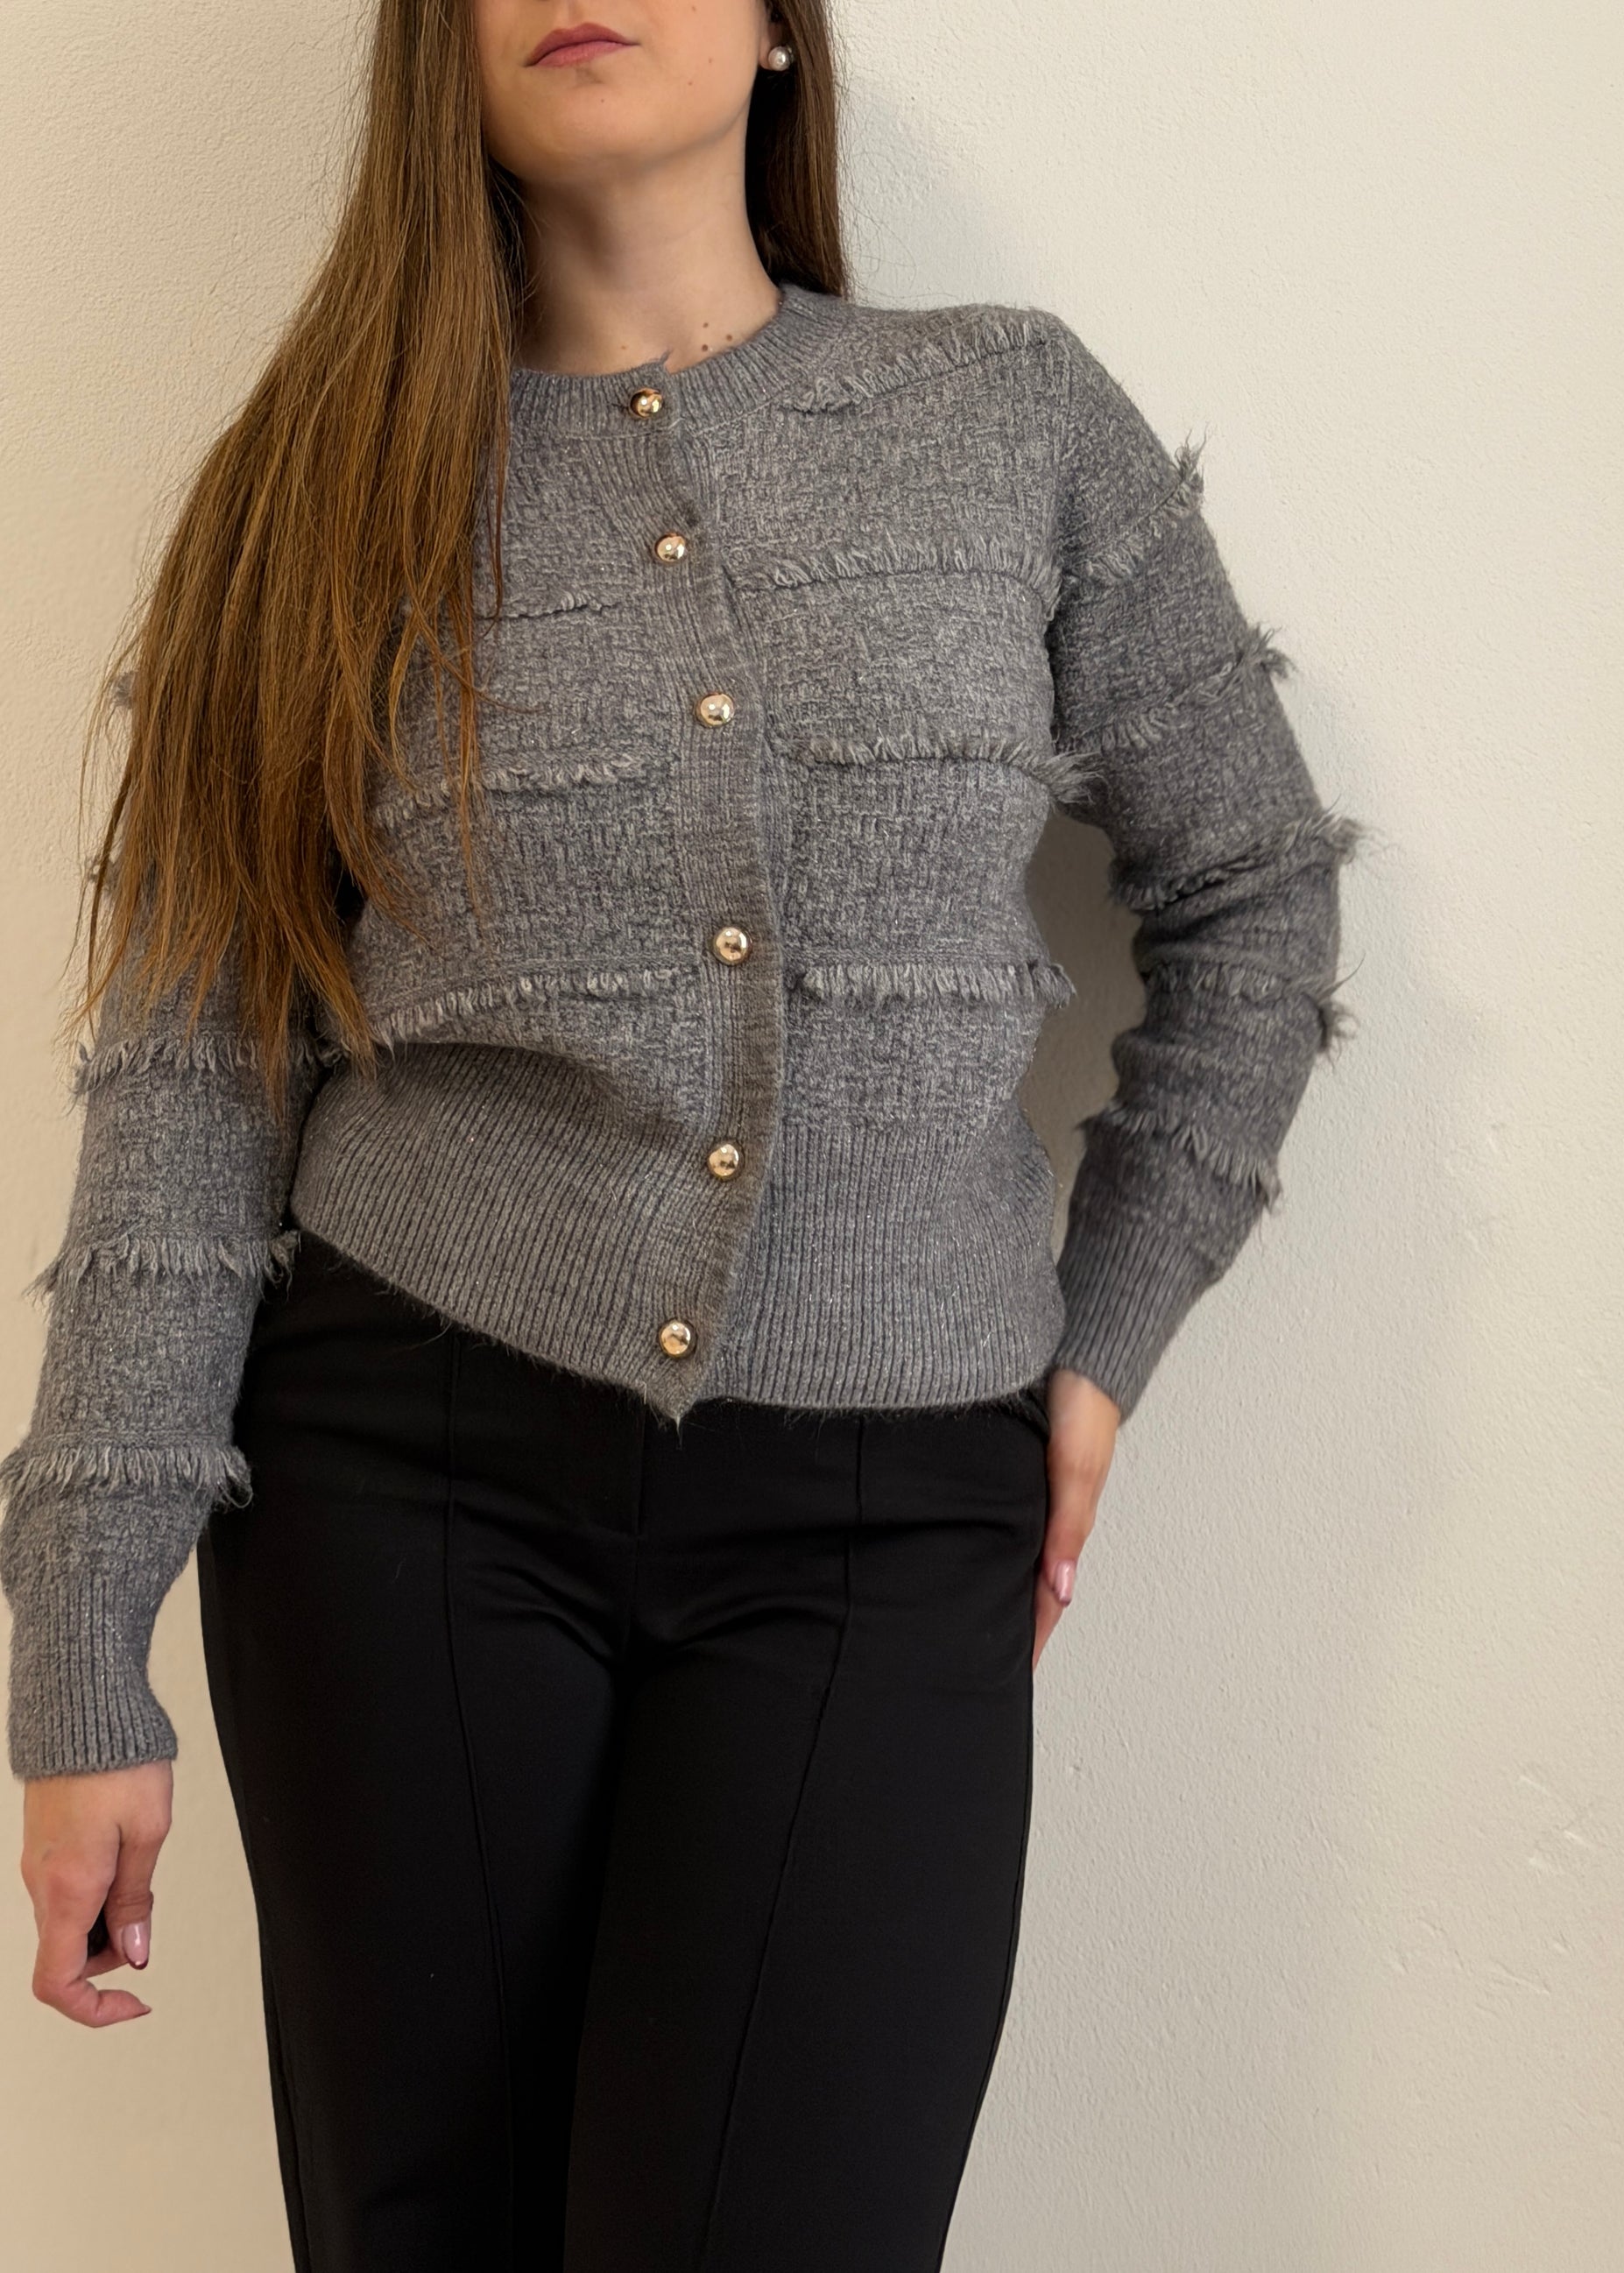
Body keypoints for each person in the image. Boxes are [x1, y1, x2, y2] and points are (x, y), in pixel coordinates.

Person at [0, 2, 1360, 2265]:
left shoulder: (1005, 416)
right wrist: (76, 1654)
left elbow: (1254, 900)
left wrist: (1104, 1340)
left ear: (777, 36)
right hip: (399, 1484)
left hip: (888, 1508)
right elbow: (188, 1079)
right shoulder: (314, 489)